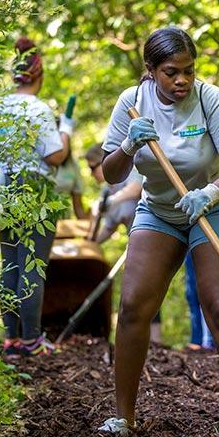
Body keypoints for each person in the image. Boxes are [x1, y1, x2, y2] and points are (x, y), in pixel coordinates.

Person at [98, 27, 219, 434]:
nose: (182, 80)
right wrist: (128, 147)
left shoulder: (210, 100)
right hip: (160, 210)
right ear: (150, 70)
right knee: (134, 304)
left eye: (188, 70)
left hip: (215, 207)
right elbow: (109, 171)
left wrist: (210, 192)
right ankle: (124, 418)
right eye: (172, 72)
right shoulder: (132, 103)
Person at [0, 36, 75, 358]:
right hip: (35, 189)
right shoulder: (37, 109)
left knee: (10, 264)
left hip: (3, 189)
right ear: (39, 74)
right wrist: (67, 129)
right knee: (32, 266)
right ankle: (33, 340)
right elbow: (55, 156)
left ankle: (12, 339)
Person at [84, 144, 164, 342]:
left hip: (155, 235)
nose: (91, 173)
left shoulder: (129, 170)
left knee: (150, 287)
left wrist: (111, 202)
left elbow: (136, 189)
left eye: (93, 167)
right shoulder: (107, 191)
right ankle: (140, 341)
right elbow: (107, 230)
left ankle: (156, 341)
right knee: (136, 290)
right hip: (137, 246)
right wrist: (87, 243)